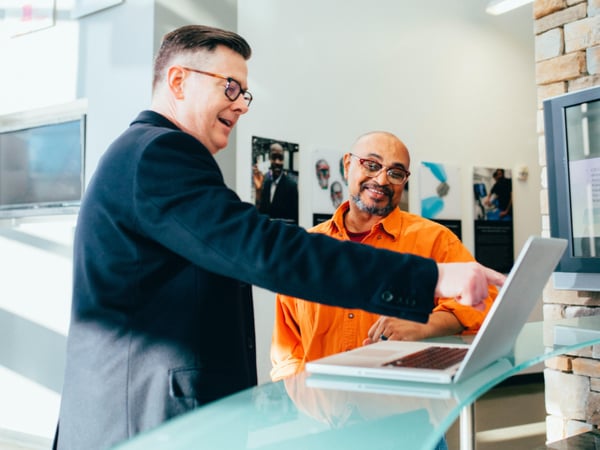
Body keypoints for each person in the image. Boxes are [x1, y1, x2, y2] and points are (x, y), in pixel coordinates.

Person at [53, 25, 504, 450]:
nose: (241, 104)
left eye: (244, 93)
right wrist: (431, 279)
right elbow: (264, 249)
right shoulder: (159, 153)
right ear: (177, 81)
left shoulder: (148, 154)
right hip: (144, 421)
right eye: (229, 86)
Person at [271, 131, 498, 381]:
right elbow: (287, 349)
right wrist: (302, 402)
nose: (381, 180)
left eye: (396, 173)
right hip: (322, 410)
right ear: (347, 165)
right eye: (371, 165)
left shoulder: (435, 240)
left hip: (403, 406)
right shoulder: (307, 249)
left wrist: (424, 325)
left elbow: (485, 301)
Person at [255, 142, 299, 224]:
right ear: (269, 159)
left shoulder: (291, 186)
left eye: (280, 158)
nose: (277, 162)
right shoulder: (266, 183)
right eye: (274, 157)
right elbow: (260, 214)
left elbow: (295, 220)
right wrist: (258, 191)